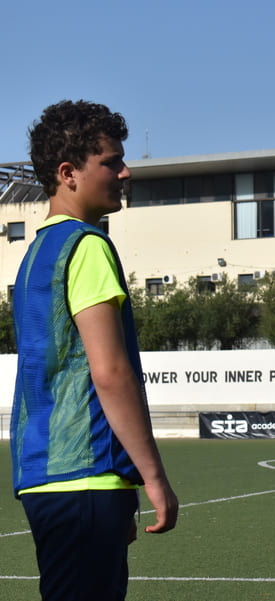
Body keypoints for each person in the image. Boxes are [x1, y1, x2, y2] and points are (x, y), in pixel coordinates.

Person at [10, 100, 179, 601]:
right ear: (68, 173)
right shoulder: (86, 247)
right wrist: (152, 476)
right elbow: (109, 372)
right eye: (111, 162)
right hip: (85, 475)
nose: (125, 172)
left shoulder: (35, 255)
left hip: (44, 475)